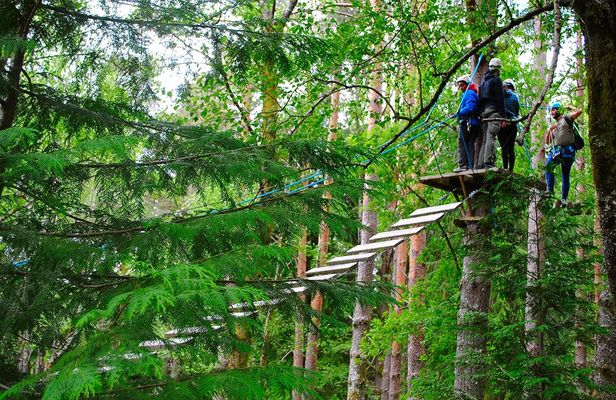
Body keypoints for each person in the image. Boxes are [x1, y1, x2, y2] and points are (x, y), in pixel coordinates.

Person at [544, 102, 582, 207]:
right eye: (551, 110)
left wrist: (569, 107)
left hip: (568, 151)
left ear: (559, 110)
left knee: (565, 175)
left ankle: (563, 199)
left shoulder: (567, 118)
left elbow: (579, 111)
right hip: (557, 151)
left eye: (553, 109)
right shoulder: (555, 126)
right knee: (548, 166)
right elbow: (547, 141)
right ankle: (550, 191)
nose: (552, 112)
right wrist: (550, 130)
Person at [477, 57, 506, 169]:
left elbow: (480, 98)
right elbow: (500, 99)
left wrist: (480, 113)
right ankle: (488, 162)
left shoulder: (483, 82)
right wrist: (503, 116)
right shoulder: (497, 80)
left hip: (483, 112)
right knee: (491, 136)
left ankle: (480, 163)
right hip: (493, 111)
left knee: (485, 138)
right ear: (498, 69)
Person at [453, 75, 480, 172]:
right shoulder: (472, 93)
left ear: (467, 84)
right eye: (459, 86)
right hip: (472, 122)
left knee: (463, 143)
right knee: (469, 144)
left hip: (468, 122)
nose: (461, 88)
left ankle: (464, 165)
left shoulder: (469, 93)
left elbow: (470, 107)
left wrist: (459, 113)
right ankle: (469, 166)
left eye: (462, 85)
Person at [498, 78, 520, 171]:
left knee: (504, 147)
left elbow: (499, 110)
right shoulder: (515, 97)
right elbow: (516, 112)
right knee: (510, 147)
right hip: (512, 124)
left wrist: (503, 120)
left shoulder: (499, 97)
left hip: (501, 124)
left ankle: (505, 168)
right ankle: (510, 169)